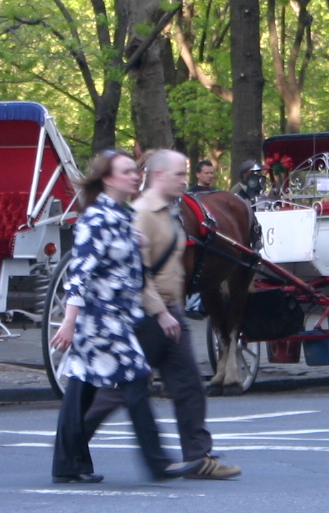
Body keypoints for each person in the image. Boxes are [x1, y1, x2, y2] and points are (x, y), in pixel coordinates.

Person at [50, 151, 203, 484]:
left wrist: (133, 242)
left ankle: (67, 463)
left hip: (117, 317)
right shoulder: (96, 218)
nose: (135, 176)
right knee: (135, 381)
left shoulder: (120, 216)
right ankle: (158, 463)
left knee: (81, 389)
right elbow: (79, 274)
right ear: (107, 179)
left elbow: (124, 266)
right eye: (126, 172)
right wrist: (69, 322)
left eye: (136, 171)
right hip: (101, 320)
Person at [85, 148, 238, 478]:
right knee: (117, 392)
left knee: (189, 385)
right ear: (159, 176)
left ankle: (198, 456)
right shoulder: (142, 214)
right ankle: (71, 444)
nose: (185, 180)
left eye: (185, 174)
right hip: (148, 317)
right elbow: (137, 274)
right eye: (179, 174)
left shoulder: (169, 212)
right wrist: (161, 312)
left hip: (169, 313)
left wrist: (173, 311)